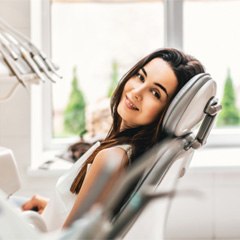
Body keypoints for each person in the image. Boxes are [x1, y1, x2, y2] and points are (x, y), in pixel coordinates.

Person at [21, 48, 205, 230]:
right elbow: (92, 218)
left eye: (155, 93)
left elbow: (72, 238)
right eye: (140, 77)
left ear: (167, 113)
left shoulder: (113, 158)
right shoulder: (129, 153)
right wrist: (50, 208)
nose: (136, 92)